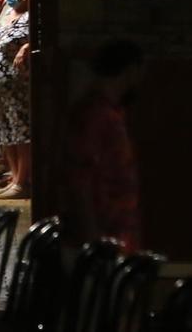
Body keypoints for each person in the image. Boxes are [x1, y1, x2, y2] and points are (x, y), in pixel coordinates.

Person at [62, 39, 146, 252]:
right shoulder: (97, 116)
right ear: (130, 70)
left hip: (114, 227)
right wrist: (93, 237)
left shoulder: (108, 112)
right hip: (104, 228)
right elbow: (80, 177)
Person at [0, 0, 34, 201]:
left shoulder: (32, 18)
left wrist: (26, 48)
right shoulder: (7, 17)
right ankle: (14, 176)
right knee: (6, 131)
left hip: (18, 86)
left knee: (21, 131)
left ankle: (23, 180)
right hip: (0, 87)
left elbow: (38, 40)